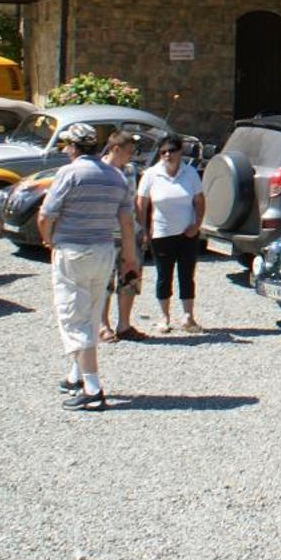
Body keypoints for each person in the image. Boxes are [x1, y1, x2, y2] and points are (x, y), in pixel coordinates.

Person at [37, 122, 138, 411]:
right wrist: (129, 258)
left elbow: (46, 214)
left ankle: (93, 388)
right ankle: (75, 376)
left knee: (73, 316)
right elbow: (127, 223)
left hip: (73, 249)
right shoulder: (116, 177)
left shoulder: (69, 173)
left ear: (73, 147)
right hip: (104, 249)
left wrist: (49, 240)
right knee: (92, 312)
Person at [136, 135, 204, 333]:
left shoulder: (190, 173)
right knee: (163, 275)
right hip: (161, 232)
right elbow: (142, 203)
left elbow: (199, 201)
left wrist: (197, 224)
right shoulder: (151, 174)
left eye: (172, 151)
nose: (168, 155)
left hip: (187, 232)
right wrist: (145, 229)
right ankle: (164, 317)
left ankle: (188, 316)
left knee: (187, 274)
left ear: (180, 151)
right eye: (163, 151)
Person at [98, 131, 149, 343]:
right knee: (103, 281)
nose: (131, 156)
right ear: (115, 149)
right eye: (129, 152)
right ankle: (102, 325)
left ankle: (124, 324)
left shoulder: (131, 171)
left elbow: (136, 200)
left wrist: (143, 227)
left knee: (130, 279)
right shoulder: (98, 171)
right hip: (106, 234)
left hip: (131, 233)